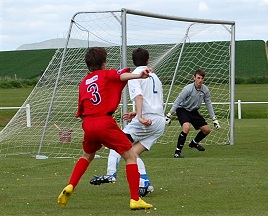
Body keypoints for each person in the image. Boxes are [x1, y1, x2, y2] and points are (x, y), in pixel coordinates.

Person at [57, 47, 153, 210]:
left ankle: (71, 185)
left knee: (87, 156)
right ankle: (135, 199)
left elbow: (80, 112)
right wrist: (139, 75)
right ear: (103, 62)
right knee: (130, 156)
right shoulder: (107, 74)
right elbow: (122, 75)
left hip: (88, 123)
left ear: (88, 65)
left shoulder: (83, 83)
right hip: (104, 121)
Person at [89, 48, 165, 197]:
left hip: (147, 120)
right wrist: (136, 113)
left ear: (133, 62)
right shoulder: (155, 76)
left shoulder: (136, 75)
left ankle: (111, 173)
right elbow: (153, 100)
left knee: (117, 143)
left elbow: (139, 96)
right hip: (159, 121)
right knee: (132, 153)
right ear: (148, 60)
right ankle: (145, 183)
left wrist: (141, 117)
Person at [165, 69, 221, 158]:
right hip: (182, 109)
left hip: (193, 111)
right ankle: (177, 152)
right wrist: (169, 115)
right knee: (186, 128)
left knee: (207, 130)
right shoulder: (188, 89)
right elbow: (177, 101)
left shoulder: (205, 90)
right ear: (194, 78)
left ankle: (194, 143)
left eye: (202, 78)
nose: (200, 80)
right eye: (198, 78)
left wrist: (214, 119)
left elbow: (208, 104)